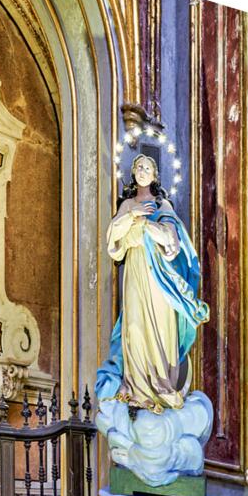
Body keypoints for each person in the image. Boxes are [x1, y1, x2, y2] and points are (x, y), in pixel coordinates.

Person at [96, 154, 209, 416]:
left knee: (159, 331)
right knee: (134, 327)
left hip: (159, 279)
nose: (143, 170)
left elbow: (172, 240)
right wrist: (132, 215)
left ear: (155, 175)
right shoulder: (127, 205)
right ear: (133, 173)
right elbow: (113, 240)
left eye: (148, 167)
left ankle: (160, 386)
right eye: (138, 167)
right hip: (136, 275)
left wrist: (146, 225)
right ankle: (136, 389)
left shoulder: (162, 204)